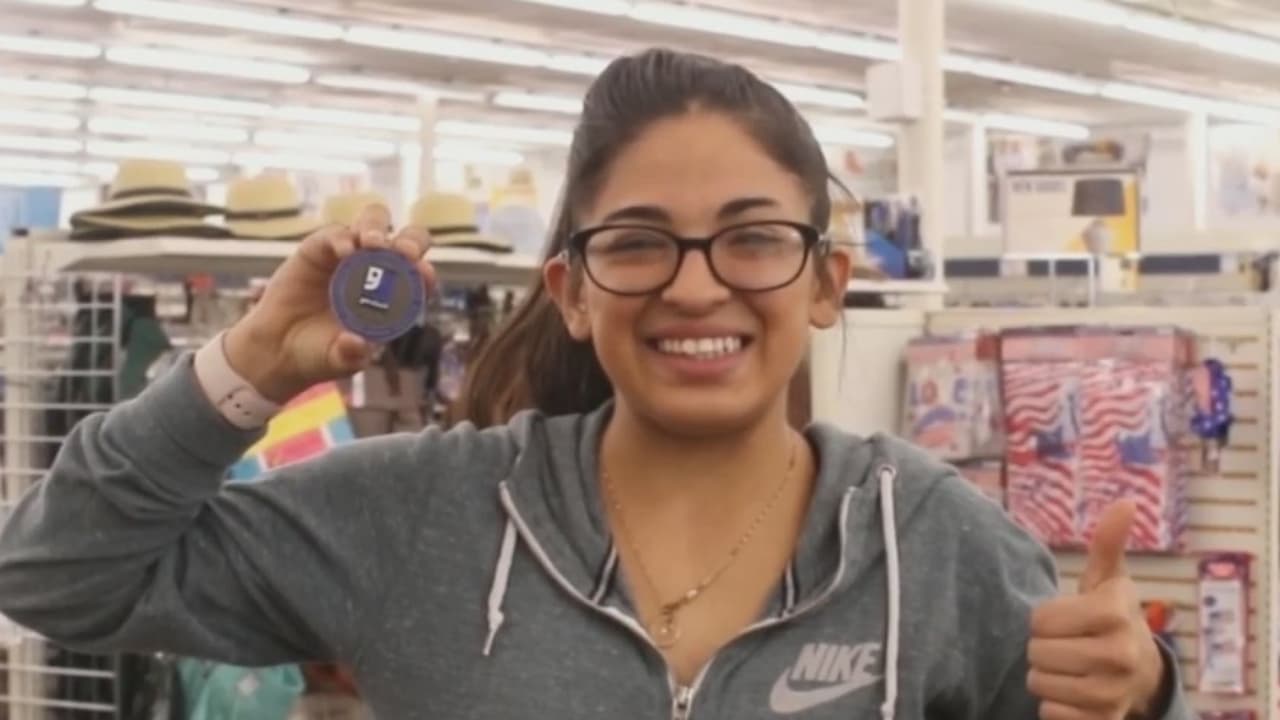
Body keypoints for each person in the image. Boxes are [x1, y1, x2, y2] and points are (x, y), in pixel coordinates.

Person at [0, 49, 1188, 720]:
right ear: (570, 290)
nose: (695, 287)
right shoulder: (420, 517)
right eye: (636, 243)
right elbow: (53, 572)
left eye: (751, 239)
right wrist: (245, 367)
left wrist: (1141, 694)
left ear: (825, 283)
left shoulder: (924, 539)